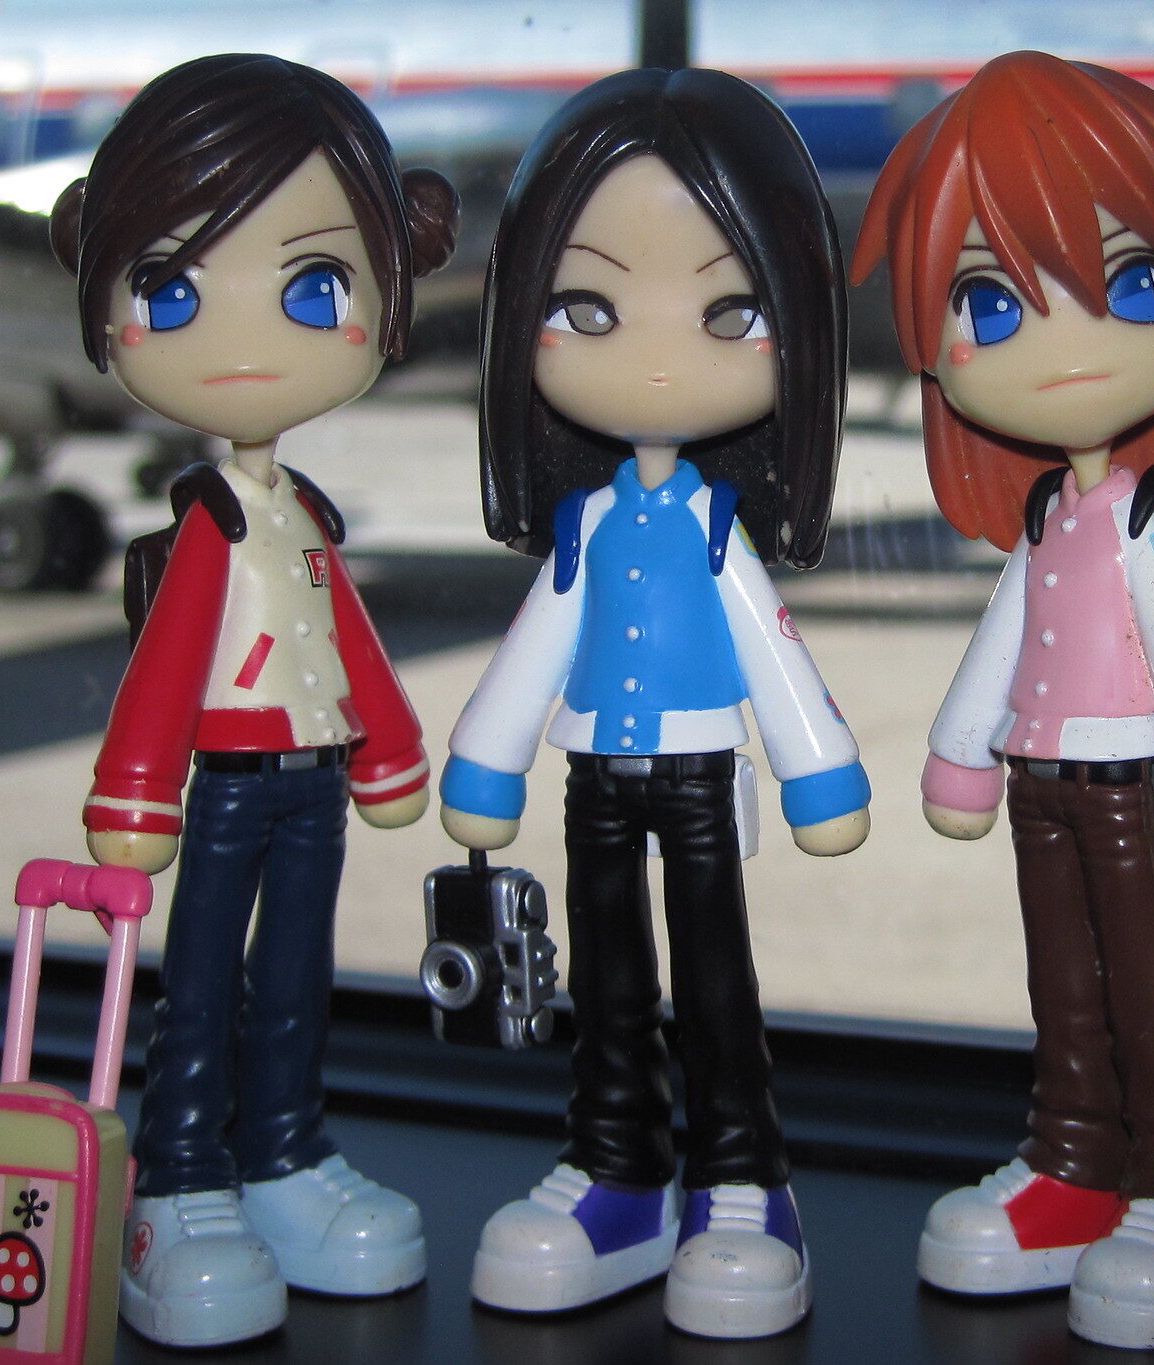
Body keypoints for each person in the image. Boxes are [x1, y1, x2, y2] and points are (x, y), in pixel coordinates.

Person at [851, 50, 1154, 1350]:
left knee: (1144, 985)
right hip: (1038, 782)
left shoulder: (1141, 523)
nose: (1064, 346)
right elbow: (1002, 642)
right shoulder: (1044, 518)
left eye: (1131, 283)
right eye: (987, 301)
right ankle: (1071, 1160)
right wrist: (960, 757)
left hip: (1120, 783)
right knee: (1061, 983)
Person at [437, 66, 867, 1340]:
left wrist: (819, 772)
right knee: (608, 976)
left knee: (717, 976)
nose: (662, 360)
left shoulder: (716, 528)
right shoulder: (584, 526)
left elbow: (773, 650)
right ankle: (615, 1165)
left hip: (697, 779)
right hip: (592, 780)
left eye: (731, 313)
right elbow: (533, 648)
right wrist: (486, 763)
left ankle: (741, 1177)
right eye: (588, 308)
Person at [50, 52, 456, 1348]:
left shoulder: (305, 518)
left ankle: (283, 1153)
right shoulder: (213, 525)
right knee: (200, 979)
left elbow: (347, 643)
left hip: (314, 783)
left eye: (313, 287)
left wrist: (387, 754)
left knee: (294, 975)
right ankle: (177, 1181)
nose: (239, 342)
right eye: (169, 290)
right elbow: (168, 667)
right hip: (224, 787)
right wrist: (133, 794)